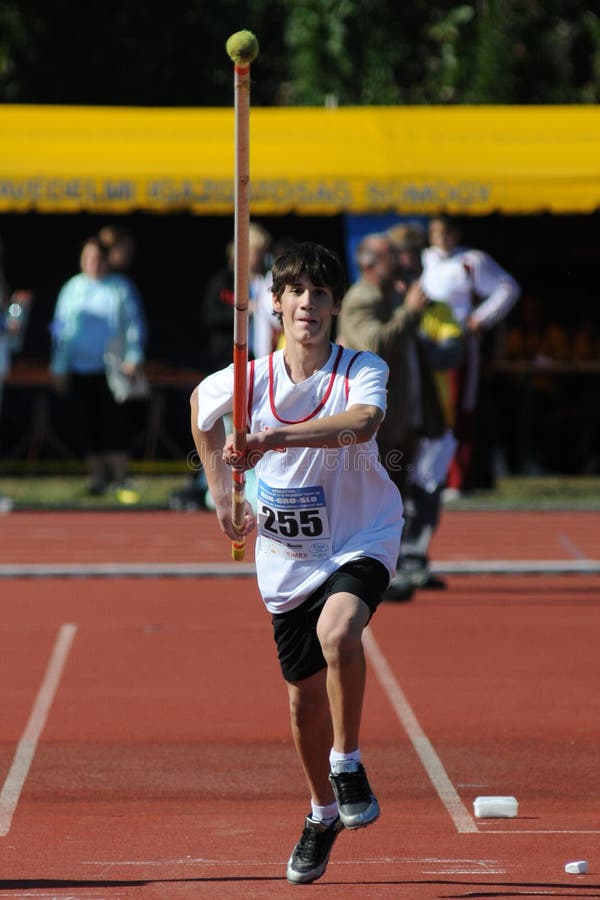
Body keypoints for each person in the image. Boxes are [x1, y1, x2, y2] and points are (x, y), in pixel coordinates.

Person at [190, 242, 403, 885]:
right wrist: (222, 496)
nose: (309, 303)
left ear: (336, 305)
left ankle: (349, 761)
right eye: (297, 292)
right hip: (286, 557)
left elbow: (364, 424)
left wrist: (273, 437)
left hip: (361, 535)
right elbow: (202, 413)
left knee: (338, 632)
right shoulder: (248, 378)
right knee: (301, 704)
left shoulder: (359, 368)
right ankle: (321, 812)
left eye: (321, 293)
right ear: (275, 305)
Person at [336, 232, 449, 600]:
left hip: (403, 417)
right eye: (390, 257)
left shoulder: (389, 297)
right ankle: (366, 571)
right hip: (376, 422)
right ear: (368, 263)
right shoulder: (360, 300)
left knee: (395, 500)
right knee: (374, 499)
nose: (399, 263)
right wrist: (409, 311)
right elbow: (374, 347)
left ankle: (389, 568)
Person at [421, 214, 520, 494]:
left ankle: (459, 479)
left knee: (460, 408)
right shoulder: (424, 261)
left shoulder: (471, 261)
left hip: (459, 344)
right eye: (435, 233)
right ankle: (432, 476)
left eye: (446, 233)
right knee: (433, 409)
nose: (441, 239)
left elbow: (508, 288)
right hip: (429, 345)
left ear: (456, 234)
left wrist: (479, 319)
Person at [49, 236, 145, 502]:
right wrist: (58, 365)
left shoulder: (120, 288)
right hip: (80, 367)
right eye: (87, 258)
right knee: (86, 423)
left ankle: (119, 478)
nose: (92, 263)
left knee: (114, 422)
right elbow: (60, 328)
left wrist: (133, 355)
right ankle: (97, 478)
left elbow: (133, 324)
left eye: (97, 258)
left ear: (106, 260)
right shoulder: (72, 288)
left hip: (112, 368)